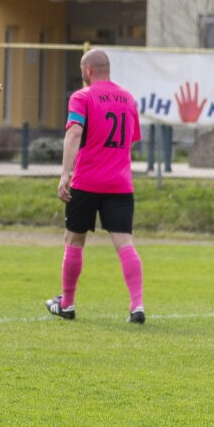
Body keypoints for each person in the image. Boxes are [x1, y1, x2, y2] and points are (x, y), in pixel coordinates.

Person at [46, 47, 144, 323]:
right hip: (120, 183)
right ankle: (137, 305)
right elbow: (131, 139)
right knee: (125, 243)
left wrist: (65, 174)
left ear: (88, 70)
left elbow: (74, 132)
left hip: (87, 181)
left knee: (74, 240)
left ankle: (67, 304)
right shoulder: (128, 98)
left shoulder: (82, 97)